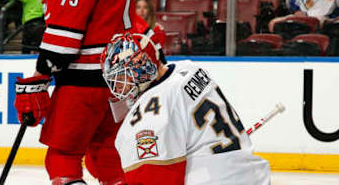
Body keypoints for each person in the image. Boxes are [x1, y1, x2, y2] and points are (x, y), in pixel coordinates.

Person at [13, 0, 134, 185]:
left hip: (87, 75)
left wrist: (39, 78)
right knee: (104, 151)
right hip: (118, 72)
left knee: (62, 156)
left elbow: (63, 43)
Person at [100, 32, 271, 185]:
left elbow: (155, 178)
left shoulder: (149, 113)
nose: (119, 86)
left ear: (141, 67)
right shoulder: (189, 68)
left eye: (122, 75)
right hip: (253, 174)